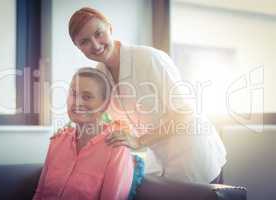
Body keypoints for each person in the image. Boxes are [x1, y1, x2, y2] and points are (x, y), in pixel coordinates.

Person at [68, 7, 227, 184]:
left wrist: (138, 141)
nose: (95, 45)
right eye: (85, 41)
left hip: (193, 156)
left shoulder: (150, 58)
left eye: (99, 33)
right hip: (160, 161)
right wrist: (73, 138)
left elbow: (186, 113)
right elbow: (105, 120)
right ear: (78, 47)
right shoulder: (100, 75)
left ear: (109, 28)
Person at [33, 68, 134, 200]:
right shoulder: (57, 141)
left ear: (105, 104)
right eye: (73, 94)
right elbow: (40, 193)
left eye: (87, 97)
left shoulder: (117, 149)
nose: (77, 103)